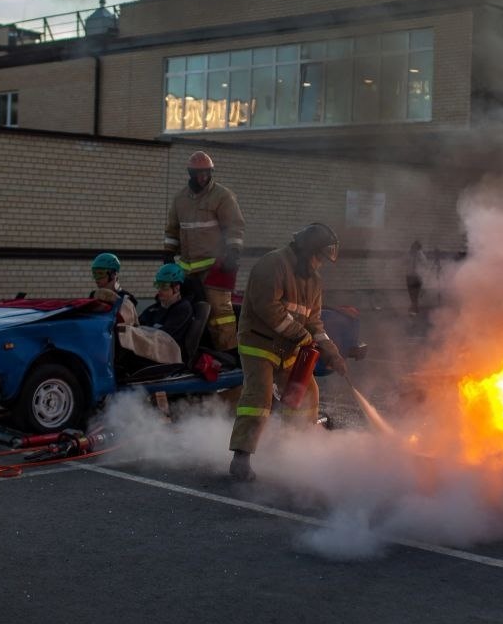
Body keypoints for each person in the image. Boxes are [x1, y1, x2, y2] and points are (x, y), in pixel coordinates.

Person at [228, 223, 349, 482]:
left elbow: (314, 323)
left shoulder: (314, 281)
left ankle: (295, 449)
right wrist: (300, 335)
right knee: (259, 397)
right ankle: (241, 458)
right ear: (307, 251)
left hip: (289, 349)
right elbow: (268, 308)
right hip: (259, 344)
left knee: (306, 394)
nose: (320, 264)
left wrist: (332, 353)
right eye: (318, 258)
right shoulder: (272, 264)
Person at [163, 150, 245, 351]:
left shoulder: (222, 196)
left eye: (207, 173)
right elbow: (173, 229)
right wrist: (167, 253)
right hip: (186, 269)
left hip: (215, 266)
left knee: (219, 311)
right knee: (187, 311)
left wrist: (233, 253)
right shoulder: (180, 199)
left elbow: (234, 226)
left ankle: (229, 353)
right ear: (189, 173)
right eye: (198, 173)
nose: (203, 177)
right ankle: (194, 352)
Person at [116, 264, 194, 370]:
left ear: (176, 288)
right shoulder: (156, 307)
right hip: (153, 350)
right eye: (158, 285)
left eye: (164, 286)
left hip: (168, 355)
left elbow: (166, 337)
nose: (159, 290)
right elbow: (138, 324)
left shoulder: (183, 308)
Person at [90, 252, 137, 325]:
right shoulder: (93, 295)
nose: (96, 278)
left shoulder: (126, 298)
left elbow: (126, 327)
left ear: (113, 274)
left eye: (100, 273)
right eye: (94, 274)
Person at [405, 240, 426, 315]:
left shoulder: (420, 254)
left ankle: (414, 309)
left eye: (417, 248)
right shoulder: (409, 253)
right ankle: (414, 308)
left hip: (417, 276)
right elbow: (405, 261)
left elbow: (424, 263)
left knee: (415, 293)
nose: (415, 249)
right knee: (411, 293)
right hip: (410, 275)